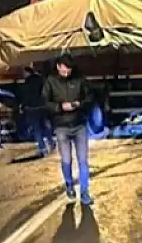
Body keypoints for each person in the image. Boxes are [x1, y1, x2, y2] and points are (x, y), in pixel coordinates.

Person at [42, 53, 93, 205]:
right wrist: (59, 107)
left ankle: (84, 192)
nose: (66, 73)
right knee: (66, 160)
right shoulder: (50, 81)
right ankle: (69, 185)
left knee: (83, 160)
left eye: (68, 71)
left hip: (79, 125)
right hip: (61, 127)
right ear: (58, 67)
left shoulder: (79, 79)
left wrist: (79, 104)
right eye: (63, 71)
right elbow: (45, 102)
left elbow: (90, 97)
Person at [19, 65, 53, 156]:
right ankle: (52, 143)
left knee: (37, 129)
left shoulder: (27, 83)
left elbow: (25, 96)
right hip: (42, 107)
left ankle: (42, 148)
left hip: (32, 109)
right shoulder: (41, 79)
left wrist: (23, 106)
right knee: (45, 126)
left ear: (27, 73)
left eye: (24, 73)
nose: (23, 75)